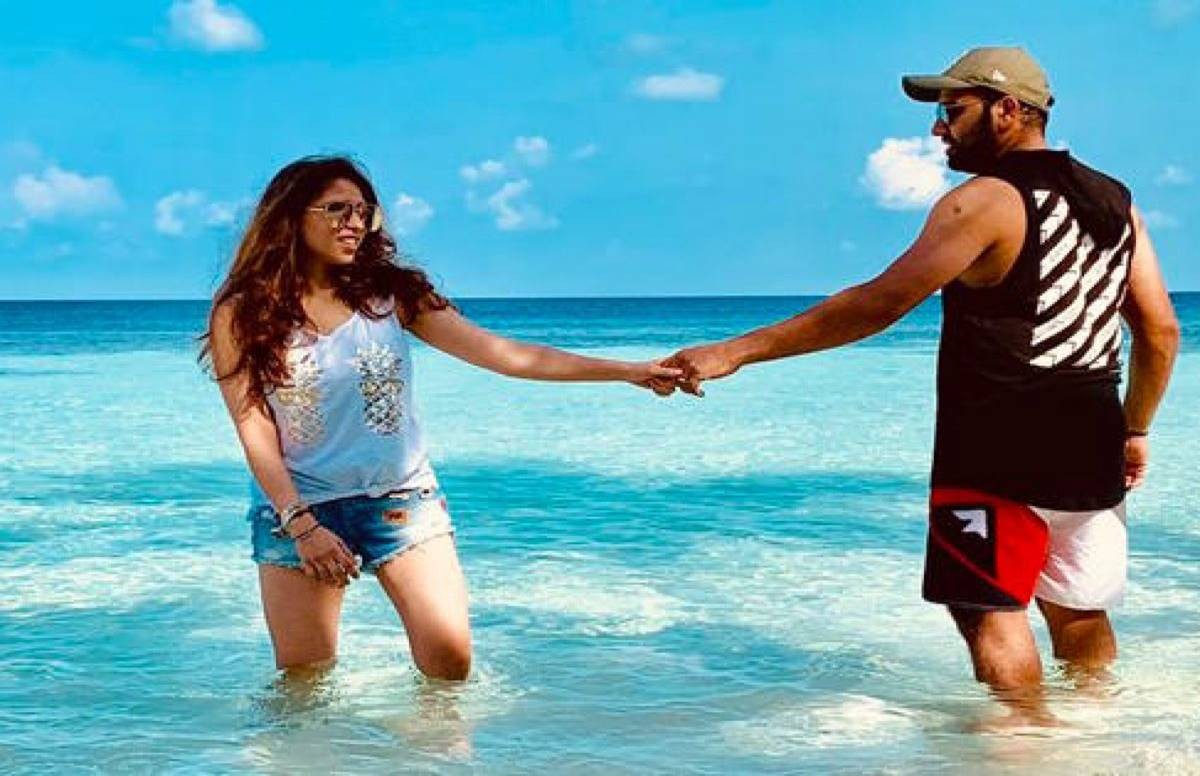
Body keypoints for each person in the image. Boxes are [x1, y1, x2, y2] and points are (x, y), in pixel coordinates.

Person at [664, 47, 1179, 717]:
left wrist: (736, 351)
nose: (938, 128)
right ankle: (1098, 738)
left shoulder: (982, 202)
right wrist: (1135, 429)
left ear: (1007, 111)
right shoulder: (1117, 203)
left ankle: (1023, 747)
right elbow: (1160, 331)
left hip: (997, 452)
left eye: (952, 111)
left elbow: (877, 304)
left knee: (990, 611)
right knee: (1078, 613)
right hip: (1091, 441)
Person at [200, 156, 680, 679]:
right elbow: (252, 424)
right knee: (305, 680)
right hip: (296, 508)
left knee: (450, 661)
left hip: (400, 501)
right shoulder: (242, 311)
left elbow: (505, 355)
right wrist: (301, 524)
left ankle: (435, 739)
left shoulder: (391, 295)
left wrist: (627, 371)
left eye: (364, 212)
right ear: (291, 217)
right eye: (337, 210)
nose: (355, 223)